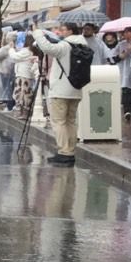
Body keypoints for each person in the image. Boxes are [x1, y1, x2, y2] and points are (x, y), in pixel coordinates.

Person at [33, 20, 89, 166]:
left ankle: (64, 152)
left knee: (59, 122)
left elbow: (47, 48)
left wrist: (38, 33)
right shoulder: (83, 44)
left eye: (63, 30)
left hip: (61, 90)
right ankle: (70, 150)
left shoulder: (65, 46)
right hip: (76, 89)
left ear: (70, 31)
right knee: (70, 121)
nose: (60, 32)